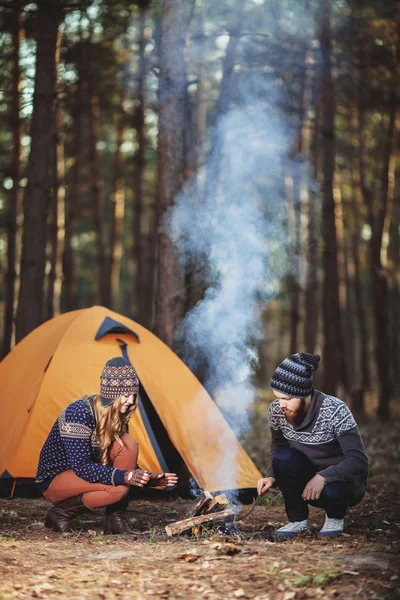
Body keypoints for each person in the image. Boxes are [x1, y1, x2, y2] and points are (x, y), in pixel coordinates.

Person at [36, 356, 178, 534]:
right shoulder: (79, 413)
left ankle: (114, 521)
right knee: (117, 490)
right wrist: (127, 477)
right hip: (55, 479)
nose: (131, 401)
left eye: (134, 395)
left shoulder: (117, 415)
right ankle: (59, 514)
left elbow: (126, 463)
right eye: (126, 395)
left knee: (128, 444)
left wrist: (146, 479)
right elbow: (82, 467)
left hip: (87, 472)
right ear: (112, 394)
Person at [257, 353, 369, 537]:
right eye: (277, 398)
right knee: (283, 456)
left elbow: (358, 460)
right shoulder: (277, 411)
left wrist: (323, 477)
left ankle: (335, 517)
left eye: (287, 399)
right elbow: (278, 446)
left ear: (304, 394)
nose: (281, 404)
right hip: (308, 482)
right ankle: (298, 521)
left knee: (334, 490)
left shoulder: (335, 410)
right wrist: (271, 476)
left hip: (341, 484)